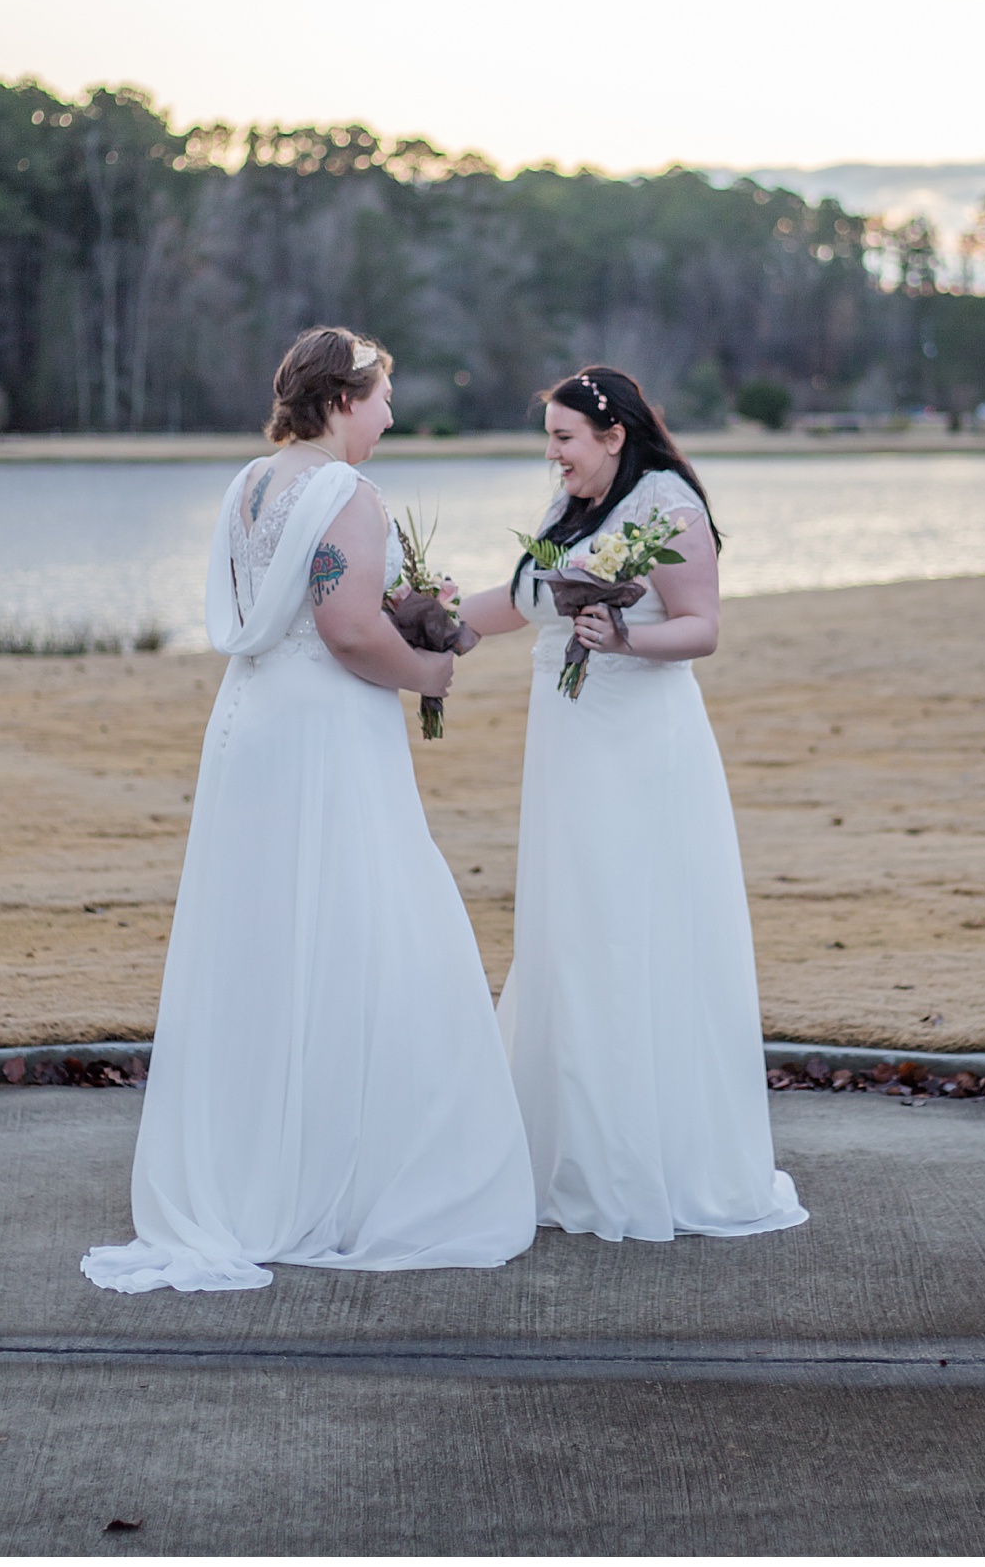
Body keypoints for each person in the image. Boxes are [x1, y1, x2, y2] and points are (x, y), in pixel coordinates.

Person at [82, 326, 536, 1293]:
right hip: (327, 738)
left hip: (250, 730)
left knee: (264, 938)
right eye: (379, 397)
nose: (389, 414)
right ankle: (347, 1176)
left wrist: (402, 608)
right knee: (362, 926)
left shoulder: (250, 483)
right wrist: (432, 666)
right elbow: (346, 629)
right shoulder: (348, 493)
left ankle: (258, 1159)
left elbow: (297, 604)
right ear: (341, 399)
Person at [462, 365, 806, 1243]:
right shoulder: (570, 508)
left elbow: (704, 627)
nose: (553, 453)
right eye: (550, 437)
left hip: (637, 750)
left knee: (628, 926)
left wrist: (625, 637)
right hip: (570, 748)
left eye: (564, 438)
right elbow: (522, 597)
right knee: (570, 926)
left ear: (614, 434)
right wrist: (436, 621)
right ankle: (569, 1149)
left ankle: (645, 1158)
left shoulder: (668, 505)